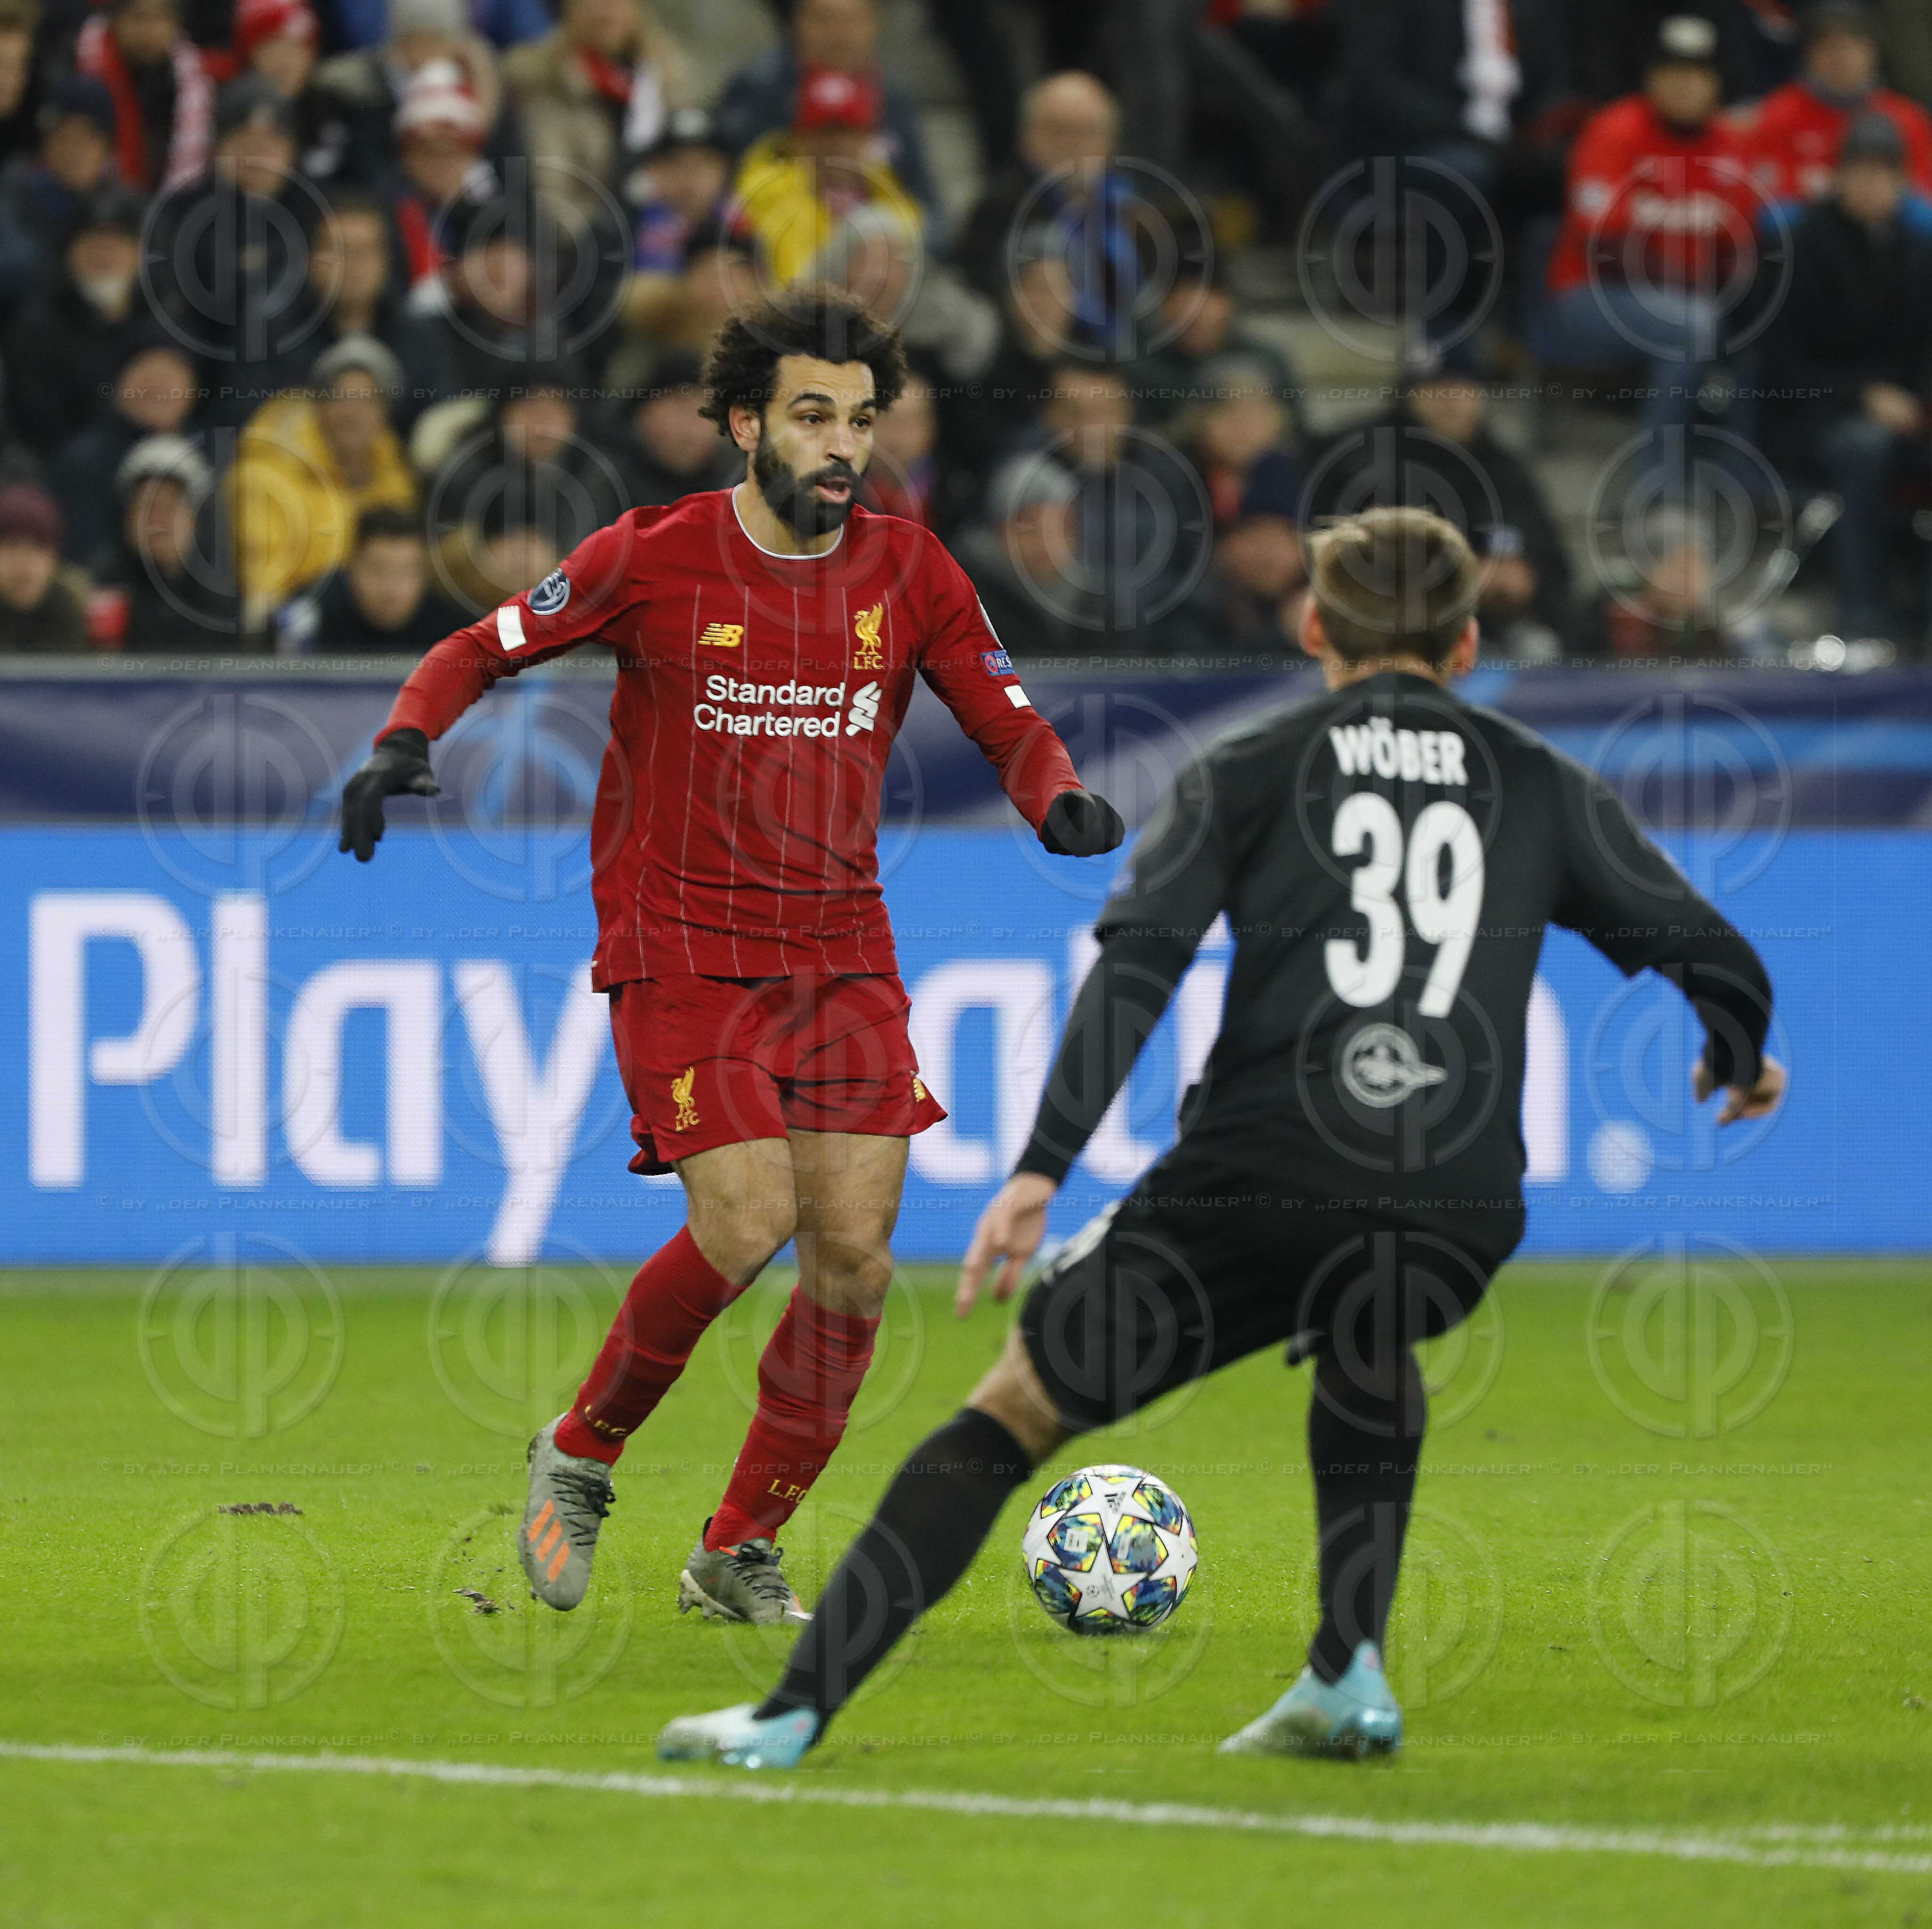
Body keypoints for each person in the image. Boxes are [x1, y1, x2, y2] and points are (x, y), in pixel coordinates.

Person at [656, 504, 1787, 1770]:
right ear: (1469, 644)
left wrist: (1041, 1170)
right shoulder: (1538, 781)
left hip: (1269, 1164)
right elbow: (1715, 954)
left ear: (1316, 628)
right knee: (1373, 1326)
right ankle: (1346, 1672)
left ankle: (790, 1712)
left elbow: (1140, 969)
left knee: (1016, 1407)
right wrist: (1737, 1059)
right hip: (1463, 1191)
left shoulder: (1253, 766)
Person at [337, 285, 1125, 1627]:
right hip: (685, 942)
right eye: (814, 416)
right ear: (748, 423)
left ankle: (736, 1553)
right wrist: (405, 739)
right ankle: (580, 1453)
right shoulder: (651, 556)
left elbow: (1006, 712)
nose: (843, 446)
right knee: (748, 1219)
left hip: (843, 953)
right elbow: (485, 644)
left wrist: (1055, 797)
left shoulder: (912, 569)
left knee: (857, 1261)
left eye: (863, 421)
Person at [1529, 14, 1763, 490]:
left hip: (1693, 297)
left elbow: (1741, 246)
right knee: (1691, 326)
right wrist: (1696, 274)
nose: (1684, 85)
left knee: (1760, 328)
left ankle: (1746, 482)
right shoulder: (1615, 130)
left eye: (1698, 74)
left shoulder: (1729, 143)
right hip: (1591, 297)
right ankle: (1659, 487)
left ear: (1716, 84)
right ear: (1651, 78)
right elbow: (1606, 248)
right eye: (1672, 72)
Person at [1760, 110, 1932, 643]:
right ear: (1838, 176)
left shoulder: (1916, 252)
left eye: (1884, 172)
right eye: (1860, 170)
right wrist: (1862, 395)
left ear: (1903, 182)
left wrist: (1917, 403)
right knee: (1865, 448)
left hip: (1903, 414)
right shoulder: (1799, 248)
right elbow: (1778, 367)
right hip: (1810, 416)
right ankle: (1863, 612)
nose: (1872, 184)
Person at [1302, 341, 1574, 661]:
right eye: (1435, 388)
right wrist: (1458, 575)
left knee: (1539, 647)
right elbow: (1318, 543)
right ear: (1409, 395)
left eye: (1461, 387)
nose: (1449, 400)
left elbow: (1548, 565)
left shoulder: (1504, 470)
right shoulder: (1357, 455)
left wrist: (1526, 575)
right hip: (1375, 627)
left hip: (1486, 630)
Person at [955, 73, 1149, 359]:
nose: (1072, 144)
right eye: (1058, 130)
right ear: (1026, 138)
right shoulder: (1000, 207)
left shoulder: (1130, 206)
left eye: (1087, 131)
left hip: (1124, 355)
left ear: (1110, 143)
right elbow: (981, 294)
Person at [229, 332, 418, 622]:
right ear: (318, 407)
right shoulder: (268, 477)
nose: (353, 414)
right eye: (341, 398)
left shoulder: (397, 482)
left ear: (385, 413)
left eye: (368, 400)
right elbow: (263, 587)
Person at [712, 0, 936, 226]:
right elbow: (719, 195)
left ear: (875, 24)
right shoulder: (758, 91)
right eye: (823, 19)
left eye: (850, 21)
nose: (838, 35)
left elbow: (929, 208)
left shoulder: (893, 99)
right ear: (796, 23)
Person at [503, 0, 694, 226]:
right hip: (590, 242)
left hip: (669, 236)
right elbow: (553, 193)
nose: (604, 11)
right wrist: (605, 242)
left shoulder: (667, 76)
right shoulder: (544, 83)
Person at [733, 65, 922, 287]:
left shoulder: (893, 197)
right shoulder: (765, 194)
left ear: (868, 139)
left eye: (850, 133)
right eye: (825, 133)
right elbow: (789, 286)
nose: (838, 145)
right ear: (800, 139)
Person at [6, 184, 154, 456]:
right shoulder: (39, 325)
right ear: (69, 254)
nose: (104, 256)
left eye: (116, 246)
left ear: (140, 256)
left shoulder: (166, 321)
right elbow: (37, 425)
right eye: (93, 245)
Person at [1747, 0, 1932, 204]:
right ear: (1808, 55)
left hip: (1890, 226)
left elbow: (1925, 188)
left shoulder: (1907, 117)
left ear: (1872, 52)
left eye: (1850, 47)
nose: (1840, 59)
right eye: (1829, 48)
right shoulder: (1780, 113)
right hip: (1811, 225)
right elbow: (1764, 190)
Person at [50, 334, 201, 561]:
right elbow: (86, 554)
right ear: (118, 383)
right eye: (149, 382)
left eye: (171, 381)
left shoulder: (205, 458)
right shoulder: (84, 463)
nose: (160, 391)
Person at [89, 433, 240, 652]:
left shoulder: (221, 604)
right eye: (147, 507)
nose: (158, 520)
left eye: (170, 507)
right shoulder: (100, 594)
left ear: (194, 520)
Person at [276, 502, 464, 651]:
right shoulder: (311, 618)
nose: (391, 590)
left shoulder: (453, 630)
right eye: (377, 570)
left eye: (406, 572)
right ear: (351, 567)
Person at [74, 0, 216, 194]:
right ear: (115, 21)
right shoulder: (84, 74)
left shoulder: (192, 82)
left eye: (159, 18)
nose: (148, 29)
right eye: (138, 18)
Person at [0, 77, 121, 297]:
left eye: (87, 139)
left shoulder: (124, 208)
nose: (75, 152)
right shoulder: (11, 198)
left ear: (107, 150)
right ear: (45, 144)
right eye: (64, 137)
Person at [600, 346, 737, 505]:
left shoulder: (732, 494)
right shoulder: (598, 484)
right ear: (643, 410)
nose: (697, 430)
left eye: (712, 415)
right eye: (683, 410)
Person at [0, 480, 88, 650]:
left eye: (38, 547)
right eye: (10, 546)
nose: (23, 563)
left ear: (55, 557)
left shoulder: (79, 615)